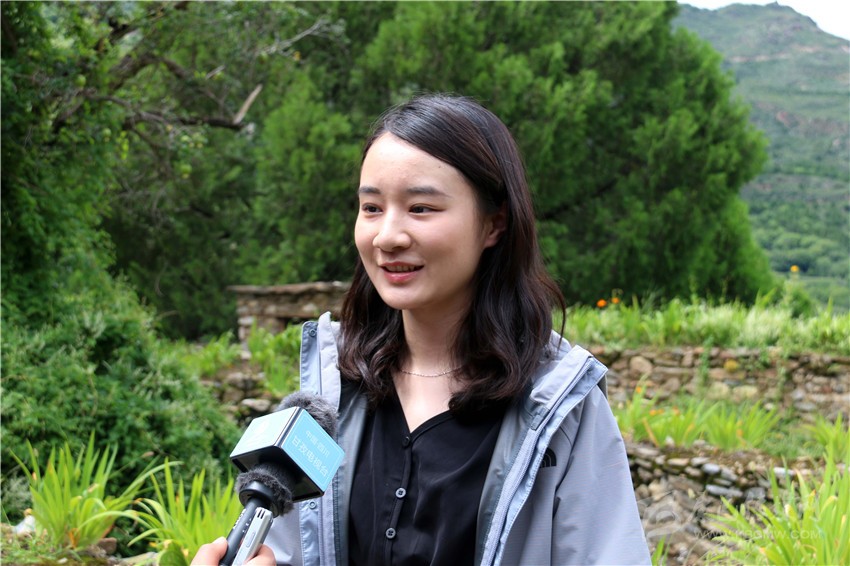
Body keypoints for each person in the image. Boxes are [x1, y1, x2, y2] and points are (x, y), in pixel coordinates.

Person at [195, 94, 649, 565]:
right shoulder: (331, 392)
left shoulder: (560, 407)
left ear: (494, 224)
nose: (388, 236)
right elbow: (292, 550)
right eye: (372, 207)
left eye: (421, 208)